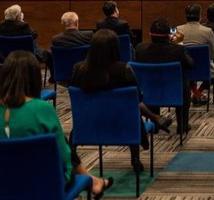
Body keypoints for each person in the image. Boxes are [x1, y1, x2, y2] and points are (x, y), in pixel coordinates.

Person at [0, 51, 113, 198]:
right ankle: (92, 180)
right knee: (61, 143)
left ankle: (93, 180)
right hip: (42, 187)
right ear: (35, 79)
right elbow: (65, 158)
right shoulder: (43, 110)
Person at [70, 29, 172, 173]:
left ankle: (155, 118)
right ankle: (152, 123)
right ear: (114, 49)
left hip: (89, 124)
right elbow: (137, 98)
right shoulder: (123, 70)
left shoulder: (79, 69)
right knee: (131, 104)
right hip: (123, 124)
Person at [135, 18, 194, 134]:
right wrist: (180, 44)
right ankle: (183, 125)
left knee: (153, 80)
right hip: (175, 92)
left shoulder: (140, 49)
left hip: (149, 92)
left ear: (150, 34)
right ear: (169, 35)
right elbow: (190, 64)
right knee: (185, 84)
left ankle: (154, 124)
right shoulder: (178, 50)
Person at [177, 4, 214, 104]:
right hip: (203, 69)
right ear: (200, 16)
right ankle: (198, 93)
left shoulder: (178, 29)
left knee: (188, 70)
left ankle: (195, 92)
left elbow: (176, 52)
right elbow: (212, 55)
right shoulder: (208, 31)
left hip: (182, 69)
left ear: (186, 16)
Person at [0, 4, 53, 79]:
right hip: (28, 54)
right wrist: (22, 21)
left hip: (8, 54)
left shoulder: (1, 26)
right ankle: (53, 77)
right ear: (18, 16)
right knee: (49, 54)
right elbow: (34, 34)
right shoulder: (23, 26)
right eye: (20, 13)